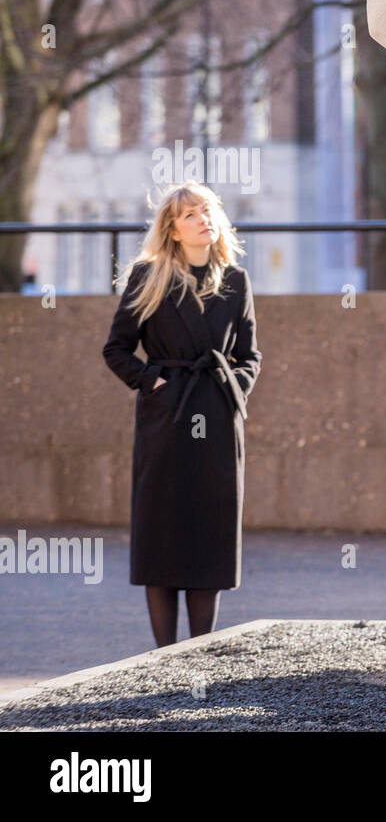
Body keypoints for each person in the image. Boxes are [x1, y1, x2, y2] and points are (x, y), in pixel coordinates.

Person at [101, 181, 262, 647]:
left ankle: (199, 651)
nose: (203, 220)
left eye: (208, 211)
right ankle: (163, 654)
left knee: (209, 527)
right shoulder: (148, 277)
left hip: (216, 414)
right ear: (172, 228)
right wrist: (154, 383)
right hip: (167, 420)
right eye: (190, 215)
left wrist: (234, 390)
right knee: (163, 528)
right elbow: (115, 349)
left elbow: (250, 355)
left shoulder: (235, 281)